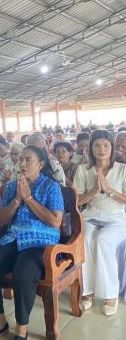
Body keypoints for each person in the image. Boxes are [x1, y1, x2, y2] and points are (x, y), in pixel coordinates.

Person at [0, 146, 64, 340]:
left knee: (23, 272)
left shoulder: (51, 187)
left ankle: (21, 330)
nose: (23, 164)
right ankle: (0, 322)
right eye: (21, 160)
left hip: (40, 241)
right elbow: (2, 220)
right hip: (14, 237)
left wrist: (29, 198)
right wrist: (18, 198)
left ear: (40, 164)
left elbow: (55, 221)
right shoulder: (12, 187)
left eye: (28, 160)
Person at [73, 129, 126, 316]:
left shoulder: (122, 169)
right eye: (97, 145)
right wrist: (95, 190)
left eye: (105, 145)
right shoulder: (83, 170)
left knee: (103, 240)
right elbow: (77, 201)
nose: (101, 149)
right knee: (85, 239)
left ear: (112, 147)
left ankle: (111, 294)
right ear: (91, 148)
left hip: (116, 218)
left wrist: (109, 190)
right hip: (91, 215)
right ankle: (88, 292)